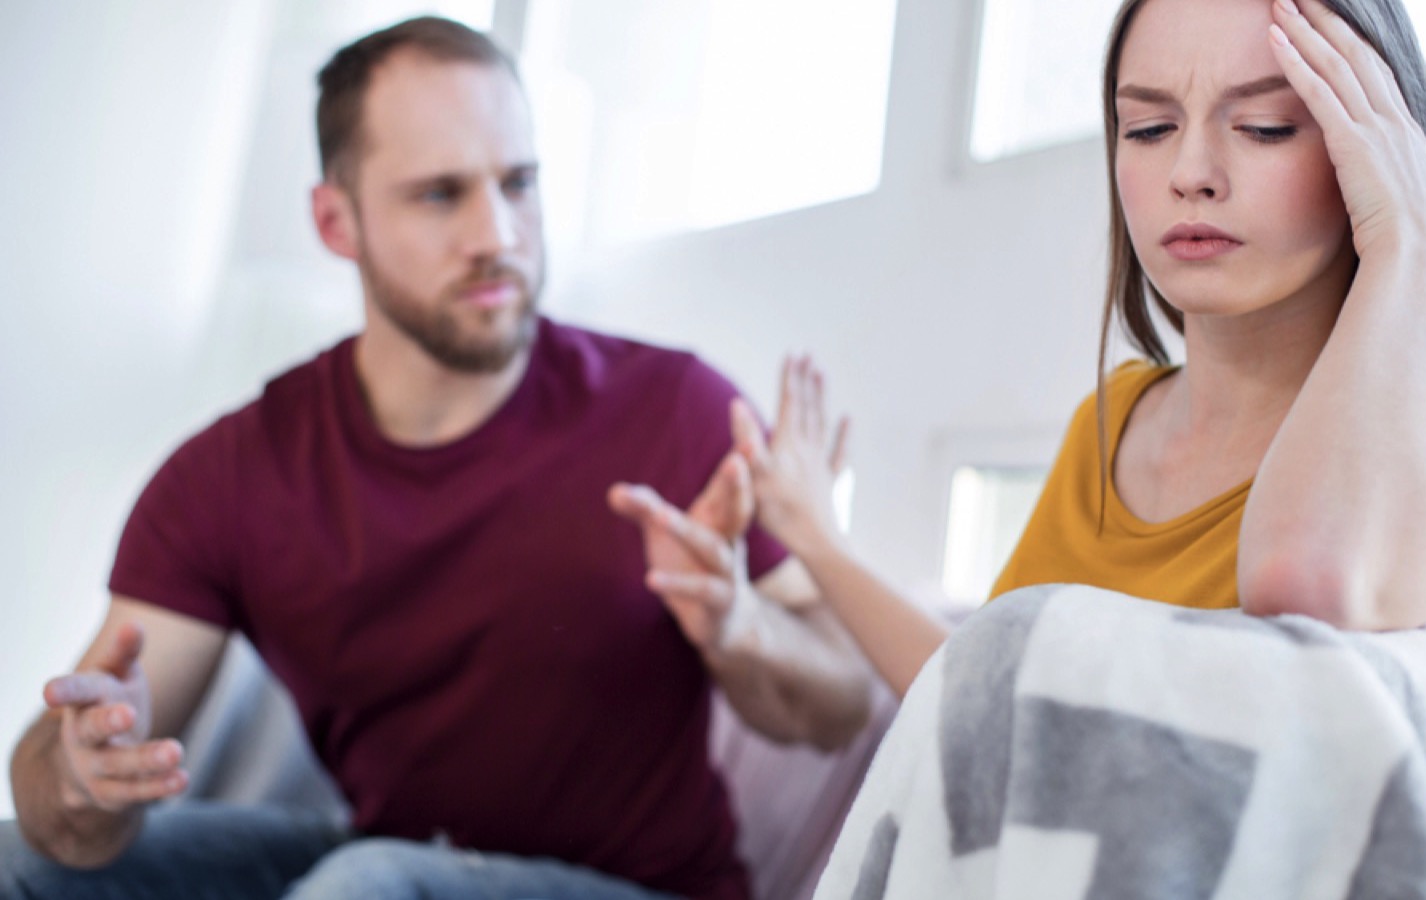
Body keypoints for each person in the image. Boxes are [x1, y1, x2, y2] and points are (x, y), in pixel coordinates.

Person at [2, 16, 870, 900]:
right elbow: (66, 779)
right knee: (18, 859)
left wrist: (737, 628)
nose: (497, 233)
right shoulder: (230, 476)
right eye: (440, 194)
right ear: (336, 221)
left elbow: (843, 706)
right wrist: (78, 775)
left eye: (519, 183)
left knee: (365, 885)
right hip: (391, 854)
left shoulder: (675, 408)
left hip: (636, 888)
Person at [726, 0, 1426, 702]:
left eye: (1264, 127)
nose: (1192, 172)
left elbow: (1315, 591)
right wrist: (814, 539)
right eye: (1146, 130)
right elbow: (986, 695)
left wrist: (1412, 241)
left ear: (1379, 147)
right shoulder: (1111, 423)